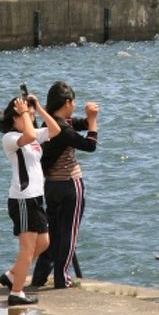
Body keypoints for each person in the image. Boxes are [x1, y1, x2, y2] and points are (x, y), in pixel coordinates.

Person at [0, 94, 60, 306]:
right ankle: (16, 292)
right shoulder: (10, 138)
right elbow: (28, 134)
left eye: (31, 115)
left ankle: (11, 276)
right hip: (23, 199)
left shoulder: (31, 133)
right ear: (15, 117)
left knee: (44, 242)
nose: (31, 118)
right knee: (27, 250)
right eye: (26, 115)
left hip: (36, 197)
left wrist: (38, 107)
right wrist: (25, 113)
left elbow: (55, 130)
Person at [31, 81, 99, 290]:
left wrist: (87, 119)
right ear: (67, 102)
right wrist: (93, 120)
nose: (75, 105)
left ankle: (40, 275)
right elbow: (90, 145)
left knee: (53, 233)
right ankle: (62, 277)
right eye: (74, 101)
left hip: (51, 186)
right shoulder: (61, 129)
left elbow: (76, 124)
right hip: (70, 185)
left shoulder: (48, 125)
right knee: (69, 232)